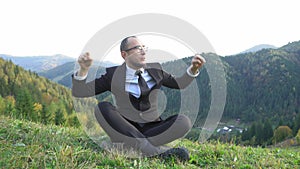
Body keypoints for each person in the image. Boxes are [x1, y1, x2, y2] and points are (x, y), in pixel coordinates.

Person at [72, 36, 206, 161]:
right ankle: (156, 152)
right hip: (124, 127)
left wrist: (193, 69)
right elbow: (80, 91)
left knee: (184, 122)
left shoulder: (156, 70)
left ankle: (127, 146)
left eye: (144, 47)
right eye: (137, 48)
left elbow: (180, 84)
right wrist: (83, 70)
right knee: (102, 108)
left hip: (153, 129)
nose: (143, 52)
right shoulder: (113, 75)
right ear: (124, 55)